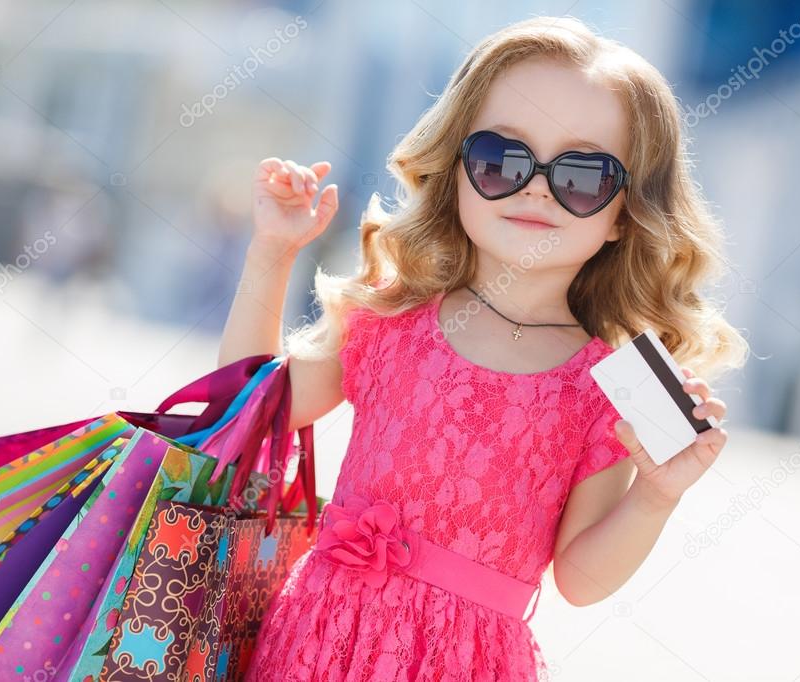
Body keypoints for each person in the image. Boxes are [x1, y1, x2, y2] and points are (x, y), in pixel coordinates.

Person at [223, 15, 748, 681]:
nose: (535, 187)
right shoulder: (389, 315)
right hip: (311, 648)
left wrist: (655, 495)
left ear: (624, 214)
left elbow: (581, 580)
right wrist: (272, 253)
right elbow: (245, 415)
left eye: (582, 174)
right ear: (456, 167)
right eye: (503, 158)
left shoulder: (607, 385)